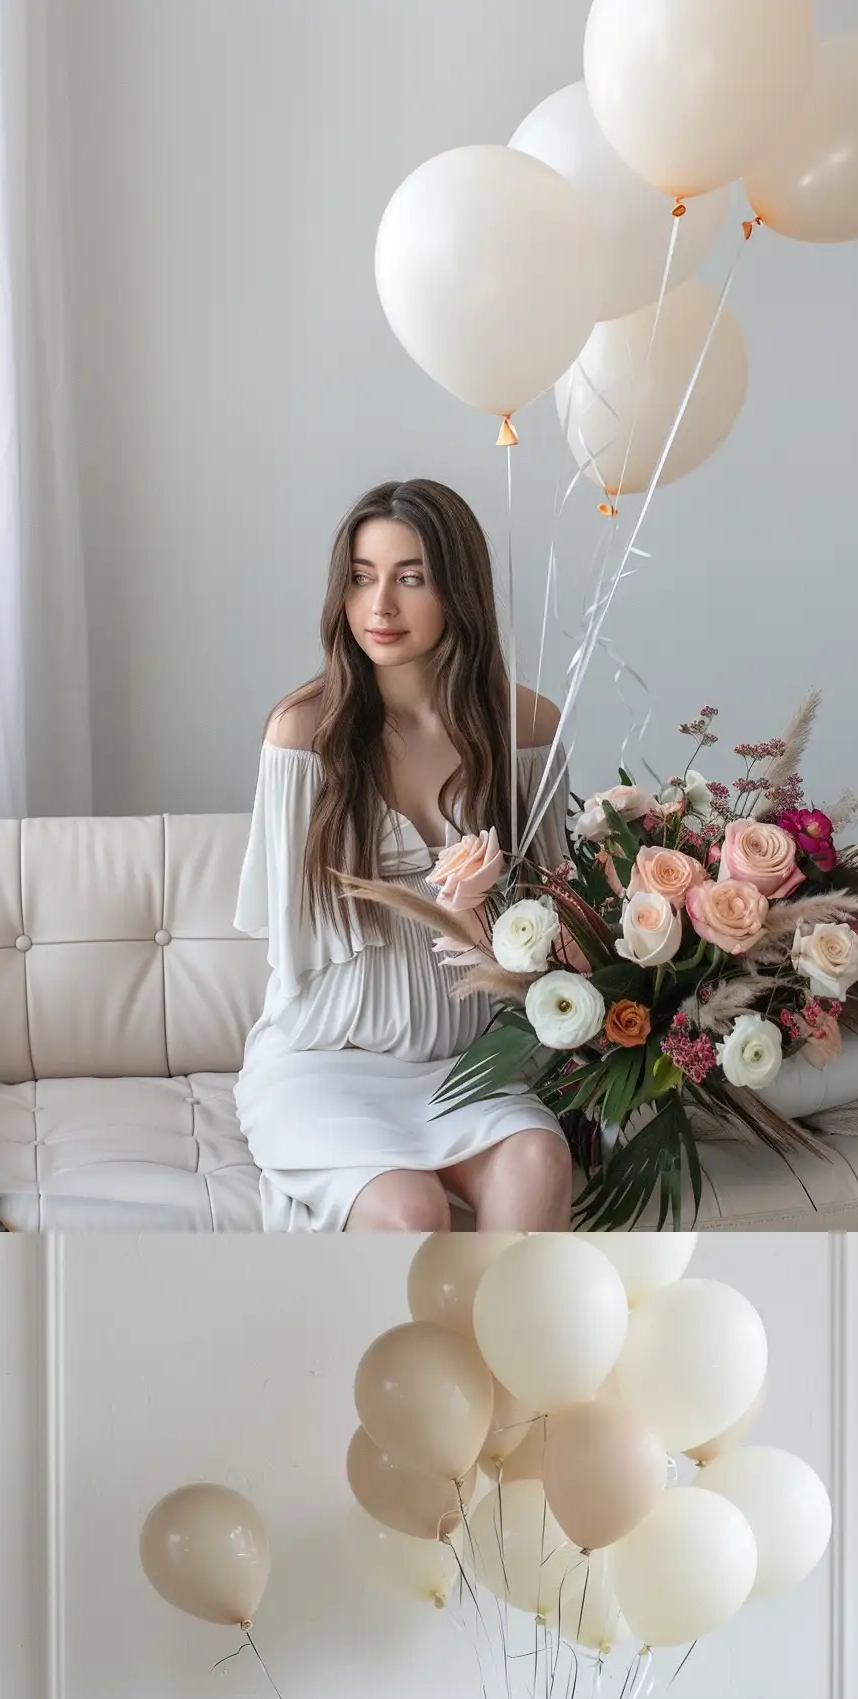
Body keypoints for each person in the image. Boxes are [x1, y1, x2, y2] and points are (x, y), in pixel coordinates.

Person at [235, 477, 576, 1233]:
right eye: (361, 578)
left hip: (470, 1063)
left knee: (540, 1161)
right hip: (328, 1062)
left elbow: (559, 939)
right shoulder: (304, 736)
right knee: (410, 1210)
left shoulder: (526, 728)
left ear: (460, 590)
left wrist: (471, 917)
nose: (379, 607)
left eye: (410, 578)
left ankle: (514, 1351)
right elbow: (300, 950)